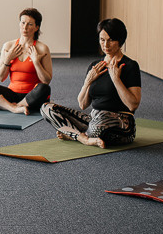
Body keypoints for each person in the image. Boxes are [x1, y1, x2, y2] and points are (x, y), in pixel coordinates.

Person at [41, 18, 142, 148]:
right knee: (47, 108)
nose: (106, 45)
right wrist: (87, 82)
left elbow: (133, 105)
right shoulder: (95, 66)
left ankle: (74, 134)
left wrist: (116, 79)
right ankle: (83, 138)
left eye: (111, 40)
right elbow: (83, 104)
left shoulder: (129, 66)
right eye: (102, 40)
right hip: (93, 119)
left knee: (98, 128)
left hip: (120, 124)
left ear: (120, 40)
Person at [0, 7, 52, 114]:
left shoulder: (42, 49)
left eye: (30, 24)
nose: (25, 27)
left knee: (45, 88)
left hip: (32, 96)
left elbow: (46, 80)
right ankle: (12, 107)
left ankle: (8, 106)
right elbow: (1, 78)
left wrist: (36, 62)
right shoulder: (8, 46)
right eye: (23, 23)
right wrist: (8, 59)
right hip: (12, 94)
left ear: (36, 27)